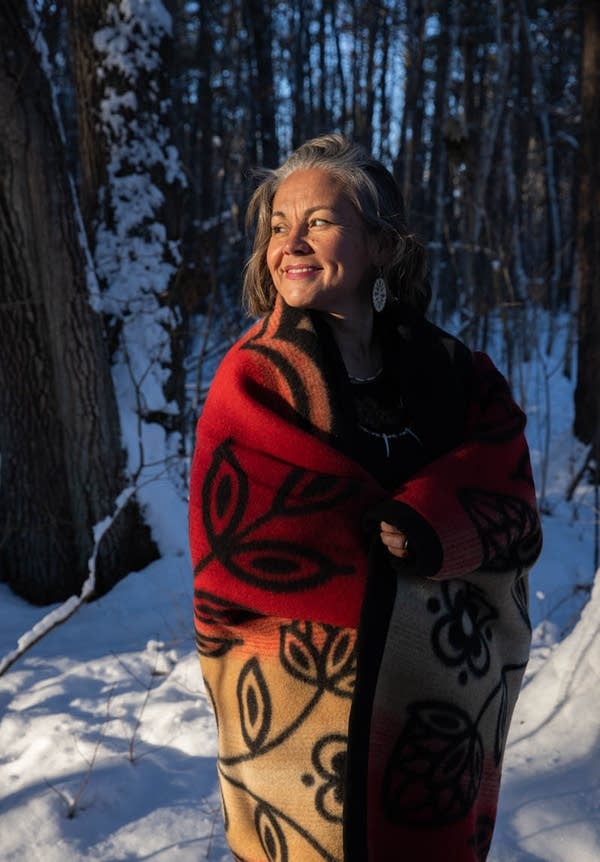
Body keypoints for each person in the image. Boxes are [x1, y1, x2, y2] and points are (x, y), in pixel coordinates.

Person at [189, 134, 542, 862]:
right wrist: (394, 552)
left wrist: (429, 523)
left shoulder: (456, 373)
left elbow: (503, 478)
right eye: (278, 225)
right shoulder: (255, 378)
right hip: (298, 716)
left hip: (437, 719)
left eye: (318, 221)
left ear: (381, 247)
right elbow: (243, 546)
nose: (291, 241)